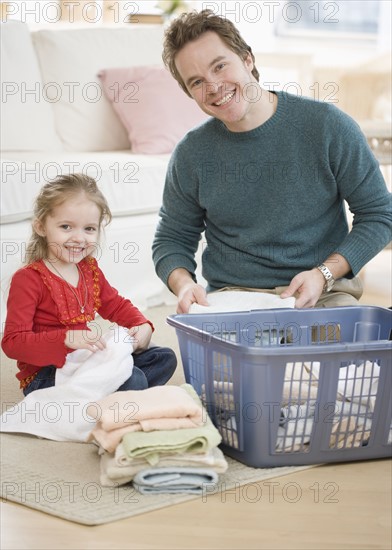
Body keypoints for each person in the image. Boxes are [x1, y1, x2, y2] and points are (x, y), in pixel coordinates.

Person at [152, 9, 391, 313]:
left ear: (248, 59)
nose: (213, 87)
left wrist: (324, 274)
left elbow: (379, 214)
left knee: (341, 350)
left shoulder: (328, 126)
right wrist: (184, 284)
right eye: (197, 82)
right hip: (233, 298)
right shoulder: (191, 153)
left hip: (323, 293)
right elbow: (172, 237)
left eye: (220, 66)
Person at [2, 174, 177, 395]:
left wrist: (141, 325)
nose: (79, 238)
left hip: (83, 362)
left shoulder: (89, 270)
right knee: (133, 379)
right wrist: (65, 338)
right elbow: (13, 343)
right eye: (66, 227)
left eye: (89, 229)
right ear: (41, 227)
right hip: (45, 375)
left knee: (163, 358)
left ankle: (108, 395)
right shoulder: (28, 279)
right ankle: (114, 396)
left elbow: (116, 305)